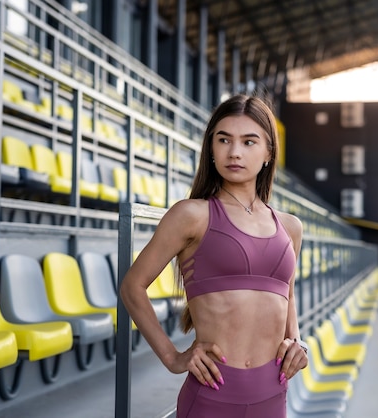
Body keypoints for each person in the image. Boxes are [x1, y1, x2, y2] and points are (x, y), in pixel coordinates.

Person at [120, 93, 308, 418]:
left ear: (268, 153)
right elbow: (132, 287)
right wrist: (173, 357)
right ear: (211, 148)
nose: (234, 152)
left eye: (249, 142)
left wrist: (297, 342)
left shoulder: (290, 227)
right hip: (212, 396)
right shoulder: (192, 215)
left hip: (273, 393)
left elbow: (285, 295)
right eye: (224, 140)